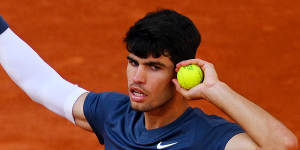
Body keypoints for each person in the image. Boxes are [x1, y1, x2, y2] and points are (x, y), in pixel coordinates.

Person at [0, 9, 298, 150]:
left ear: (180, 73)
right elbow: (41, 84)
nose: (137, 78)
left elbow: (281, 146)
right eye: (133, 63)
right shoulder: (113, 115)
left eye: (154, 67)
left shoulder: (208, 138)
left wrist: (216, 90)